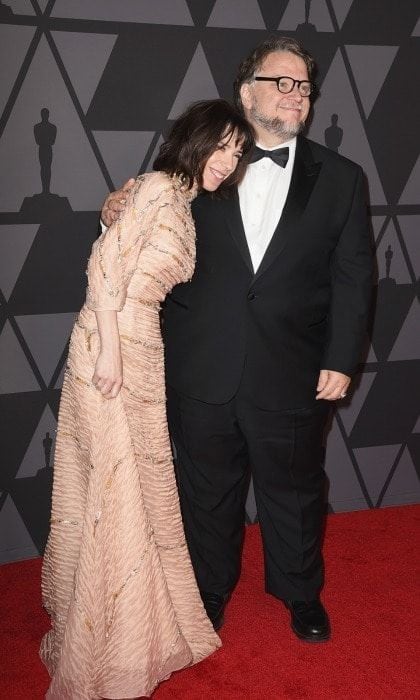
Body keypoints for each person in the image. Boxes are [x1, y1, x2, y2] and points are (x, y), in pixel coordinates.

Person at [102, 36, 373, 644]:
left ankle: (300, 593)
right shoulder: (202, 160)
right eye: (283, 82)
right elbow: (142, 205)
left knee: (296, 492)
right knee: (207, 492)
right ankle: (209, 590)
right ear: (245, 91)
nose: (297, 94)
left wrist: (342, 358)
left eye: (304, 85)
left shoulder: (343, 178)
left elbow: (354, 276)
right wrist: (113, 205)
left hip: (293, 369)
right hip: (203, 363)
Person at [40, 99, 254, 699]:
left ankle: (120, 620)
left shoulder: (178, 198)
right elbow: (106, 269)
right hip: (114, 344)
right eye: (221, 147)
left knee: (125, 486)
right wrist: (109, 351)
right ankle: (106, 637)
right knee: (118, 486)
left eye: (238, 152)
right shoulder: (162, 187)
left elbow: (122, 243)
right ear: (195, 141)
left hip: (139, 343)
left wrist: (117, 210)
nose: (229, 161)